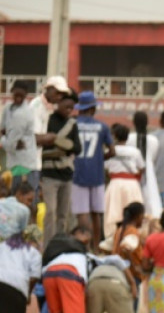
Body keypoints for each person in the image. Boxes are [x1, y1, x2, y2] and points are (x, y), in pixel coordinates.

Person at [72, 91, 114, 249]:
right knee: (96, 213)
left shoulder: (73, 124)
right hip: (97, 175)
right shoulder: (102, 126)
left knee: (82, 213)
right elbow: (113, 151)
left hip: (78, 173)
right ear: (92, 108)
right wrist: (100, 157)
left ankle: (84, 246)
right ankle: (96, 247)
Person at [40, 91, 81, 246]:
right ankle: (48, 245)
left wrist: (57, 143)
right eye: (67, 106)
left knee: (63, 214)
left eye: (72, 107)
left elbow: (77, 148)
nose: (70, 110)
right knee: (50, 212)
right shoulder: (48, 120)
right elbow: (42, 144)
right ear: (59, 103)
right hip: (49, 174)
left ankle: (60, 244)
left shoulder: (72, 124)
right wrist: (63, 148)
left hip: (67, 175)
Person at [103, 124, 145, 240]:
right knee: (134, 212)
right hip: (132, 185)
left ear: (115, 136)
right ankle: (132, 237)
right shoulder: (135, 152)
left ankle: (111, 240)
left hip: (115, 184)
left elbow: (106, 168)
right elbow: (141, 168)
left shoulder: (109, 150)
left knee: (113, 213)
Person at [0, 180, 34, 259]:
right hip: (8, 244)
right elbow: (23, 232)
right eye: (29, 200)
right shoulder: (24, 210)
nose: (30, 204)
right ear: (19, 194)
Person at [112, 202, 147, 310]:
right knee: (131, 312)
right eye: (142, 217)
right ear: (138, 216)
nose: (143, 220)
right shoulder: (132, 231)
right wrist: (135, 265)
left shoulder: (120, 230)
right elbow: (126, 248)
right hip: (131, 274)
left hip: (120, 273)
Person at [130, 111, 163, 219]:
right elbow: (153, 157)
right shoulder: (153, 140)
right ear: (147, 123)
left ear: (133, 123)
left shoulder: (129, 138)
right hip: (149, 174)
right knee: (151, 204)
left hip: (132, 172)